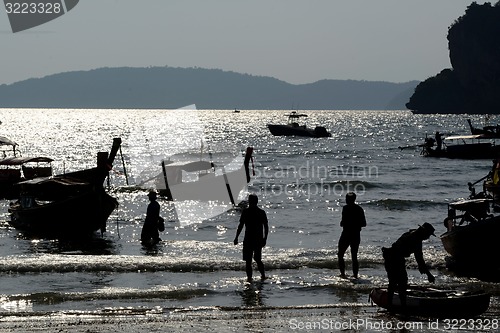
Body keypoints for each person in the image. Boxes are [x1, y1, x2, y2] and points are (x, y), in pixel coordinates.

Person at [382, 222, 436, 308]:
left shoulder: (411, 234)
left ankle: (391, 304)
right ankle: (400, 306)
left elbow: (419, 258)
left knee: (394, 282)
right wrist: (429, 274)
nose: (428, 237)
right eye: (428, 235)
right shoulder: (416, 239)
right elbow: (419, 259)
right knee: (401, 282)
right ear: (423, 232)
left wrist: (422, 268)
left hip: (392, 257)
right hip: (394, 258)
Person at [234, 194, 269, 282]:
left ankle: (252, 278)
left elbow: (241, 226)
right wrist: (265, 238)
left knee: (250, 260)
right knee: (256, 259)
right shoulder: (260, 212)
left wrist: (236, 237)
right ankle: (262, 276)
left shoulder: (247, 212)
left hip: (250, 239)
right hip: (256, 239)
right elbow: (266, 227)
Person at [338, 192, 366, 279]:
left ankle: (343, 274)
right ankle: (355, 275)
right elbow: (364, 224)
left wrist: (347, 223)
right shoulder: (359, 209)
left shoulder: (346, 208)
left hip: (347, 234)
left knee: (341, 254)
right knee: (354, 255)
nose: (346, 201)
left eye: (347, 199)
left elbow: (363, 223)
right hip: (355, 234)